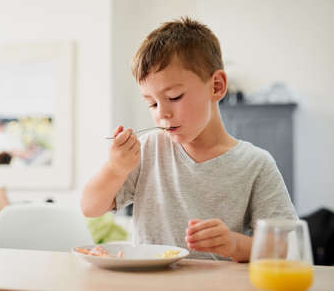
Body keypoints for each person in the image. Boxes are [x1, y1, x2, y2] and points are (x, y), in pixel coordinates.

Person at [80, 17, 297, 262]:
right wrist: (115, 168)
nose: (161, 112)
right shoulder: (148, 149)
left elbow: (285, 247)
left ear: (216, 86)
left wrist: (234, 244)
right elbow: (90, 207)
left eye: (174, 96)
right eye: (151, 103)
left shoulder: (256, 164)